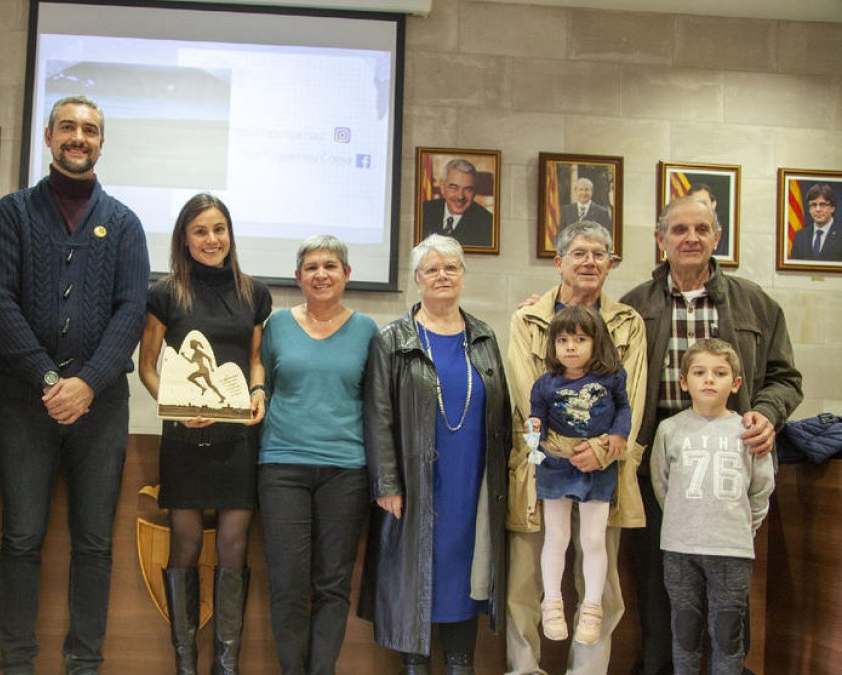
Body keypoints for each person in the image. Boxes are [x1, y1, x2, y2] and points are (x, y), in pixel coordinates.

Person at [0, 94, 149, 675]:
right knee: (22, 537)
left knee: (94, 543)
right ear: (48, 137)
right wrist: (52, 379)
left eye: (91, 130)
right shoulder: (12, 214)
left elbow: (131, 312)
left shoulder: (124, 222)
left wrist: (88, 384)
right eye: (69, 128)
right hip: (24, 402)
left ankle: (84, 662)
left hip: (101, 409)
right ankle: (17, 663)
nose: (80, 138)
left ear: (102, 143)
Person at [621, 195, 802, 675]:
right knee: (661, 585)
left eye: (702, 229)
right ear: (661, 240)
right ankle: (662, 666)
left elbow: (787, 378)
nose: (691, 238)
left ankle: (728, 667)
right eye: (679, 230)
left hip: (729, 468)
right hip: (656, 466)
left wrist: (766, 412)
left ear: (717, 238)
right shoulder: (633, 307)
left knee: (728, 591)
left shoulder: (756, 303)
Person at [359, 234, 509, 675]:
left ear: (463, 275)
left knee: (468, 573)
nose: (442, 276)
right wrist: (387, 483)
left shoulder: (484, 337)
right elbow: (378, 415)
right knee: (418, 578)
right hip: (416, 485)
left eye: (451, 268)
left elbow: (501, 408)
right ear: (417, 279)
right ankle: (415, 665)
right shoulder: (392, 340)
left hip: (472, 483)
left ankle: (462, 663)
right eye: (432, 269)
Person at [505, 220, 647, 675]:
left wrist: (604, 449)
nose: (589, 262)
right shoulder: (528, 318)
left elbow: (634, 395)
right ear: (559, 262)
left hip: (605, 465)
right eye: (580, 253)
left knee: (598, 580)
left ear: (610, 264)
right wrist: (566, 445)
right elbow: (528, 390)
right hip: (542, 464)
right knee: (525, 580)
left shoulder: (627, 321)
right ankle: (524, 669)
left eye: (600, 254)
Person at [138, 193, 271, 675]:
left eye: (218, 229)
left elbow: (254, 357)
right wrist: (174, 408)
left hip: (238, 441)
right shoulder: (164, 292)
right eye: (200, 231)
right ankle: (185, 666)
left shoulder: (254, 293)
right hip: (184, 440)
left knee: (235, 546)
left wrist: (258, 391)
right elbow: (147, 366)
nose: (211, 240)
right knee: (186, 547)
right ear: (184, 239)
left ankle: (226, 666)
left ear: (229, 234)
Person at [258, 234, 377, 675]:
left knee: (332, 585)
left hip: (346, 471)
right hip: (281, 468)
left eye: (330, 266)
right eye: (311, 267)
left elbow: (374, 403)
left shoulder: (366, 330)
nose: (321, 274)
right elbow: (262, 389)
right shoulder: (276, 326)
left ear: (347, 274)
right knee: (288, 584)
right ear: (298, 277)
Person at [649, 339, 774, 675]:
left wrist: (743, 528)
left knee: (727, 630)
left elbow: (761, 489)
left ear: (734, 384)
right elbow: (661, 483)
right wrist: (683, 518)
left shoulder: (747, 430)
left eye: (719, 373)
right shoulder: (669, 429)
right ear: (683, 381)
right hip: (679, 547)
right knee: (685, 628)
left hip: (731, 548)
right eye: (699, 372)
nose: (708, 380)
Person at [527, 305, 630, 648]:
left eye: (580, 339)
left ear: (595, 342)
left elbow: (624, 409)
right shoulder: (544, 384)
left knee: (594, 539)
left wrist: (618, 436)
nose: (570, 346)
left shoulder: (612, 378)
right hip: (556, 463)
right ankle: (552, 602)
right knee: (555, 538)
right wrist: (534, 433)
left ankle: (592, 606)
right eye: (563, 339)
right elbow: (534, 419)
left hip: (598, 465)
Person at [421, 158, 494, 247]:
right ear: (442, 187)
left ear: (474, 192)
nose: (460, 196)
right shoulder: (423, 211)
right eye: (454, 187)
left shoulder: (488, 223)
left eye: (468, 189)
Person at [789, 183, 841, 261]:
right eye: (813, 205)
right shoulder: (800, 236)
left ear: (832, 208)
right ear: (809, 209)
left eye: (822, 204)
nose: (818, 209)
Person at [687, 184, 729, 258]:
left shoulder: (726, 235)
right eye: (695, 203)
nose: (700, 208)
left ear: (713, 204)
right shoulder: (685, 233)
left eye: (704, 203)